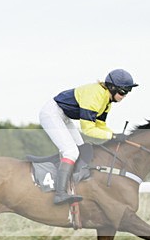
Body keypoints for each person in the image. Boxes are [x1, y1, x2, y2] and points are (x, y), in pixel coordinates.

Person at [38, 69, 138, 205]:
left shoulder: (106, 101)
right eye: (122, 92)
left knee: (82, 148)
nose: (124, 96)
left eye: (127, 92)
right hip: (51, 114)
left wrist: (116, 136)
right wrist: (112, 136)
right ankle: (59, 194)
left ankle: (75, 183)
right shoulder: (95, 95)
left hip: (64, 117)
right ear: (112, 88)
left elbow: (100, 125)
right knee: (71, 152)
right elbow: (88, 129)